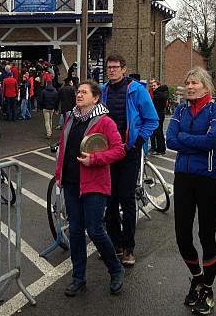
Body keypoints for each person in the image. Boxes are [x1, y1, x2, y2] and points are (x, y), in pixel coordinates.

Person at [54, 80, 126, 297]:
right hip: (71, 182)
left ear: (95, 98)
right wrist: (59, 173)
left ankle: (116, 269)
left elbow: (119, 150)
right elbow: (64, 147)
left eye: (84, 92)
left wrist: (94, 159)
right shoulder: (70, 118)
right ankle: (78, 278)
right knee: (75, 231)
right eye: (78, 91)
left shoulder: (105, 122)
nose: (79, 94)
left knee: (94, 229)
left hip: (94, 183)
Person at [166, 67, 216, 315]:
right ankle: (197, 277)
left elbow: (213, 141)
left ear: (206, 86)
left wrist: (185, 140)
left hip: (209, 179)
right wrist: (195, 141)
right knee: (182, 237)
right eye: (187, 82)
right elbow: (170, 140)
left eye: (195, 83)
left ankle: (208, 289)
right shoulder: (180, 110)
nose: (190, 87)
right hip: (183, 178)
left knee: (206, 236)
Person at [101, 54, 158, 267]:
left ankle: (128, 247)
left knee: (126, 198)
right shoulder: (104, 90)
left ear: (124, 69)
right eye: (109, 67)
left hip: (129, 152)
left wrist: (136, 144)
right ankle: (114, 243)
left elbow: (152, 120)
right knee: (110, 199)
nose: (112, 70)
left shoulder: (137, 91)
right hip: (109, 152)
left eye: (116, 67)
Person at [148, 78, 169, 155]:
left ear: (158, 85)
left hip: (158, 114)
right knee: (158, 132)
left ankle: (160, 149)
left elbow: (154, 105)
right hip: (160, 114)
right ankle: (161, 149)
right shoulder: (162, 93)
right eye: (151, 85)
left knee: (158, 132)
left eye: (154, 85)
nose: (153, 87)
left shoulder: (157, 94)